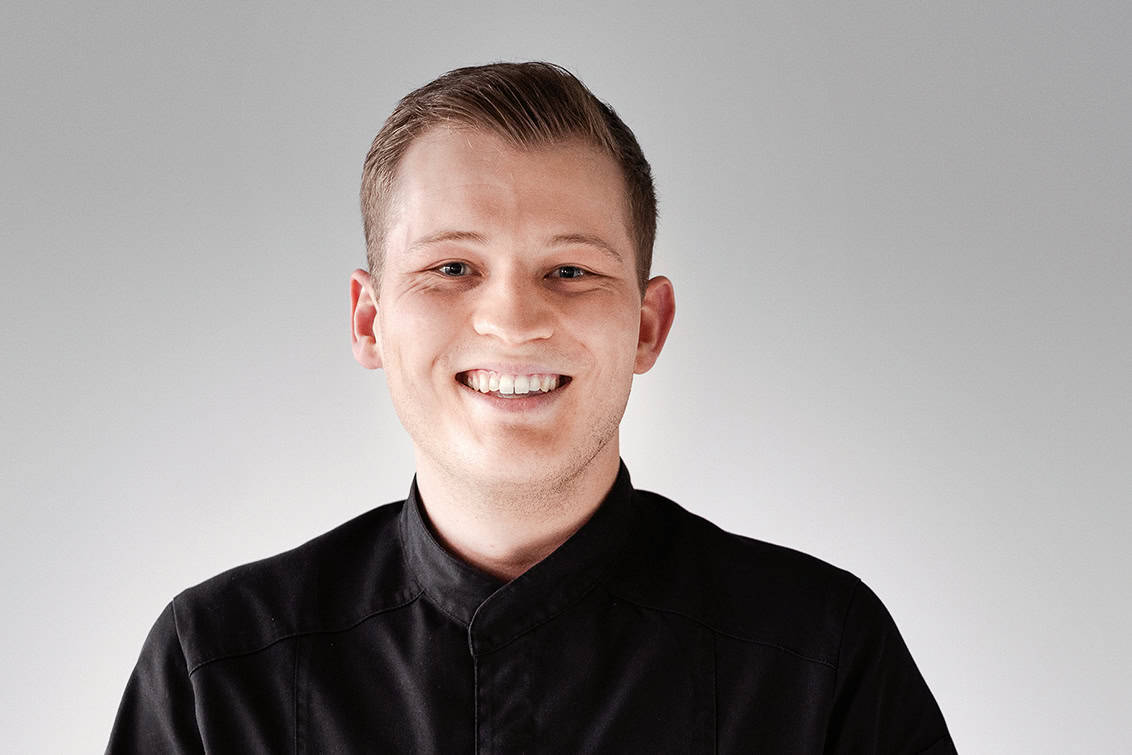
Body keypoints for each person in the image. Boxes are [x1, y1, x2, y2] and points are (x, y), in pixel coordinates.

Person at [107, 62, 955, 753]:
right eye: (452, 268)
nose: (513, 320)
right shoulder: (217, 671)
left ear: (647, 326)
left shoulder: (819, 657)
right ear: (370, 321)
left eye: (570, 271)